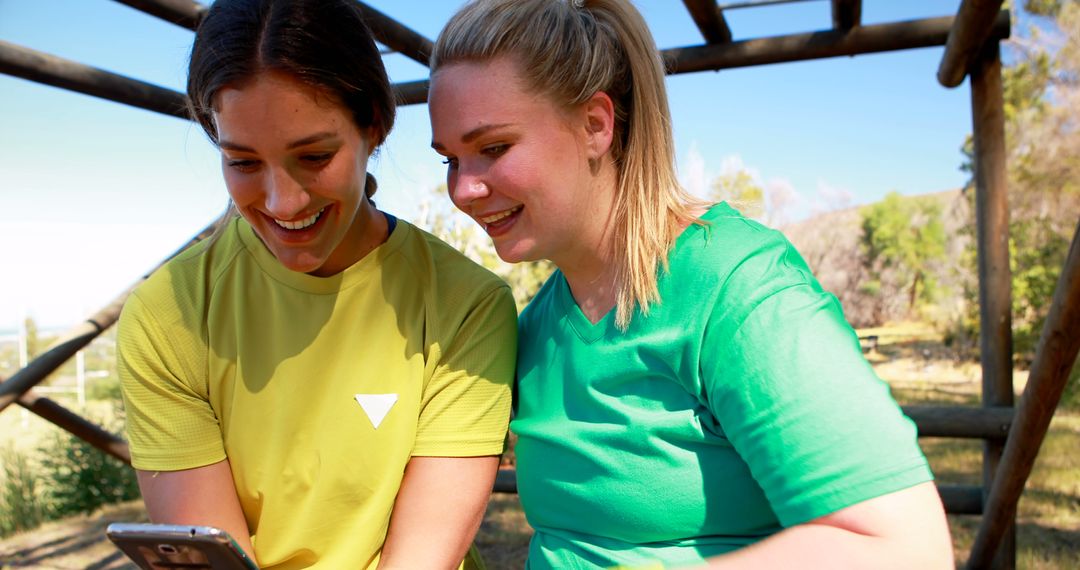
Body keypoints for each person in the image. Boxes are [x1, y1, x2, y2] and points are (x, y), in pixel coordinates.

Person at [427, 0, 954, 568]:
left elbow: (901, 545)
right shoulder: (535, 327)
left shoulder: (732, 286)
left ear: (595, 126)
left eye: (493, 148)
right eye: (450, 160)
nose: (462, 190)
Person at [116, 1, 516, 568]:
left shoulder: (465, 306)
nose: (284, 202)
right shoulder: (168, 315)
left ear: (373, 125)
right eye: (244, 163)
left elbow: (423, 557)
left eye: (315, 155)